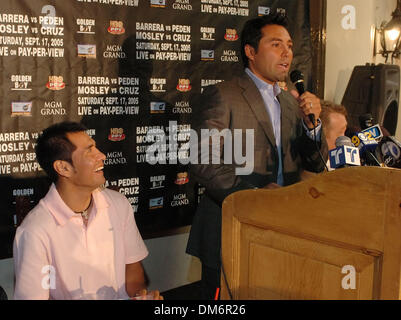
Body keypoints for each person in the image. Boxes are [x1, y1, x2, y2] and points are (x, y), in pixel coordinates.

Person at [186, 13, 328, 299]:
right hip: (231, 230)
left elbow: (316, 162)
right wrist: (254, 196)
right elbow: (203, 161)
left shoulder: (292, 103)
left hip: (282, 231)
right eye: (276, 44)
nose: (287, 52)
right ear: (250, 51)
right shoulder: (223, 95)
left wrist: (312, 127)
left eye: (289, 45)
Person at [13, 121, 161, 300]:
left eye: (96, 148)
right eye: (89, 150)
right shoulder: (35, 231)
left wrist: (140, 296)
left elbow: (132, 267)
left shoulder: (118, 204)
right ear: (63, 168)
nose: (102, 156)